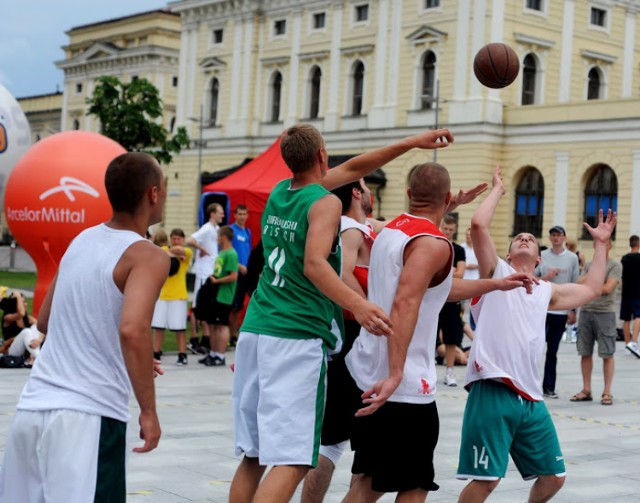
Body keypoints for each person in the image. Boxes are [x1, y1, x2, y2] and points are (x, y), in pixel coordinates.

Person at [229, 125, 454, 503]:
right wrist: (360, 305)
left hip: (257, 327)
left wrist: (412, 141)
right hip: (293, 334)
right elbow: (316, 265)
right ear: (321, 155)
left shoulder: (282, 193)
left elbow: (353, 168)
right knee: (294, 459)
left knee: (254, 455)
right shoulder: (326, 203)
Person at [343, 162, 534, 502]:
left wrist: (497, 284)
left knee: (366, 482)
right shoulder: (433, 243)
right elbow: (405, 302)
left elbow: (437, 289)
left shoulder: (391, 231)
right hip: (402, 386)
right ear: (447, 198)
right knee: (414, 486)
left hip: (369, 372)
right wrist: (397, 372)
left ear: (407, 193)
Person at [0, 152, 170, 502]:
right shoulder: (148, 255)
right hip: (87, 418)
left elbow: (45, 319)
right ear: (153, 194)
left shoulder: (81, 240)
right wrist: (149, 412)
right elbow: (132, 331)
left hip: (32, 410)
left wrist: (125, 359)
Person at [456, 167, 616, 503]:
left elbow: (590, 289)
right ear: (510, 255)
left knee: (554, 477)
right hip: (493, 389)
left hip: (530, 397)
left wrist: (601, 245)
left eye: (530, 238)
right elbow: (478, 226)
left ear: (540, 259)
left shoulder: (546, 290)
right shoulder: (495, 273)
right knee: (486, 481)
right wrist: (499, 188)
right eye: (518, 239)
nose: (524, 238)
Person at [301, 178, 375, 503]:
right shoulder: (349, 228)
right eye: (365, 184)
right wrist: (368, 313)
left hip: (354, 342)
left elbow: (398, 227)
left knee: (339, 442)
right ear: (357, 193)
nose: (371, 190)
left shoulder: (360, 226)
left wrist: (444, 205)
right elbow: (343, 275)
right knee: (342, 444)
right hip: (356, 341)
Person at [571, 238, 621, 405]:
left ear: (609, 246)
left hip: (605, 313)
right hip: (586, 311)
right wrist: (592, 277)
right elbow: (578, 283)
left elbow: (608, 288)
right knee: (584, 352)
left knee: (607, 353)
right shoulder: (589, 265)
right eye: (599, 243)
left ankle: (607, 392)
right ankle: (586, 389)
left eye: (605, 243)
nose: (602, 246)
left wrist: (591, 281)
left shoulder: (615, 266)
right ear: (595, 246)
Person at [536, 224, 580, 398]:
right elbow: (532, 278)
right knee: (534, 348)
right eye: (553, 235)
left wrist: (573, 310)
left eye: (559, 235)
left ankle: (549, 386)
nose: (556, 238)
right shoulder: (542, 255)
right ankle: (528, 384)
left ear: (564, 238)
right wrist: (546, 277)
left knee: (552, 351)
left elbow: (575, 284)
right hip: (542, 309)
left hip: (560, 311)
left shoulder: (571, 258)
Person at [185, 202, 225, 354]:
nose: (223, 215)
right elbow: (189, 240)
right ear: (212, 214)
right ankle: (194, 339)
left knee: (206, 306)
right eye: (220, 212)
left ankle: (205, 340)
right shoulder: (207, 228)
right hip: (203, 272)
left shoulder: (217, 229)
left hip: (211, 272)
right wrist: (201, 248)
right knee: (197, 305)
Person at [151, 228, 193, 365]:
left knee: (179, 328)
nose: (176, 241)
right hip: (162, 296)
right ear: (170, 239)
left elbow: (181, 251)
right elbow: (159, 250)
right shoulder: (164, 251)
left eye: (179, 239)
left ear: (183, 239)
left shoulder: (188, 253)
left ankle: (182, 355)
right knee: (158, 327)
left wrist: (171, 252)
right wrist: (169, 252)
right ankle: (156, 353)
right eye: (174, 239)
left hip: (178, 296)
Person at [198, 225, 239, 366]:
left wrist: (218, 280)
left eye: (219, 236)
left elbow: (233, 276)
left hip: (225, 295)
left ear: (224, 237)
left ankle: (220, 356)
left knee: (221, 325)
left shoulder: (231, 254)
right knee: (214, 325)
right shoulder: (222, 253)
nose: (217, 239)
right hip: (216, 294)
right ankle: (213, 353)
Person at [438, 213, 466, 387]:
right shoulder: (435, 244)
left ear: (454, 231)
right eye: (445, 228)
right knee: (426, 333)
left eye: (450, 229)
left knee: (450, 337)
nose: (447, 232)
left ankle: (449, 370)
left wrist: (443, 272)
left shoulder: (458, 250)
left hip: (451, 297)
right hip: (432, 296)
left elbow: (460, 273)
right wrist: (450, 271)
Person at [228, 205, 252, 347]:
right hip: (235, 272)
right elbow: (225, 250)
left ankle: (235, 334)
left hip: (246, 274)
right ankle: (230, 334)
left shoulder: (248, 232)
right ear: (235, 215)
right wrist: (238, 265)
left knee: (239, 306)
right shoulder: (231, 230)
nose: (242, 216)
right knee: (233, 305)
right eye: (240, 214)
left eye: (244, 214)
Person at [620, 234, 640, 357]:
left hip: (626, 291)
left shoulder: (624, 258)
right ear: (638, 244)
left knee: (626, 319)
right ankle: (633, 342)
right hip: (638, 291)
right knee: (638, 316)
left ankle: (627, 345)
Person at [461, 227, 479, 334]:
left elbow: (482, 264)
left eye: (470, 235)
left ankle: (473, 327)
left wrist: (475, 266)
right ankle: (459, 323)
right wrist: (466, 266)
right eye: (467, 235)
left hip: (475, 280)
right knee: (461, 305)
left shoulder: (478, 248)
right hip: (463, 279)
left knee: (474, 305)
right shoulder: (461, 247)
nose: (468, 237)